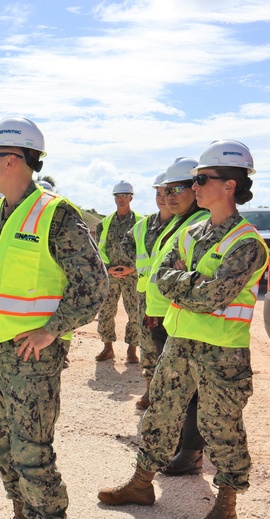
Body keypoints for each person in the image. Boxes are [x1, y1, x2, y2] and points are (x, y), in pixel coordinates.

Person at [98, 140, 269, 519]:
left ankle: (226, 504)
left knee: (220, 425)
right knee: (160, 410)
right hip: (181, 340)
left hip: (222, 350)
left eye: (202, 179)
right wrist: (190, 284)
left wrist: (184, 283)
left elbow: (215, 295)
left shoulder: (247, 243)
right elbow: (160, 276)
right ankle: (141, 483)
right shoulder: (192, 231)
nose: (195, 185)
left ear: (229, 185)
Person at [0, 117, 107, 519]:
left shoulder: (57, 214)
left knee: (32, 452)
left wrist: (53, 329)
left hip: (31, 360)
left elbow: (94, 284)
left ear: (12, 161)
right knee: (0, 443)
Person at [143, 157, 210, 475]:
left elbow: (191, 277)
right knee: (175, 388)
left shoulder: (201, 224)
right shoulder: (179, 221)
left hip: (180, 318)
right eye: (166, 189)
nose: (169, 196)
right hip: (164, 316)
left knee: (188, 389)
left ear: (196, 188)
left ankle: (191, 452)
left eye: (177, 188)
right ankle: (183, 444)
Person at [125, 171, 172, 409]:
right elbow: (126, 246)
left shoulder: (184, 224)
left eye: (167, 192)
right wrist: (127, 267)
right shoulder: (145, 224)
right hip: (146, 294)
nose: (162, 198)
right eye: (158, 193)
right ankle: (148, 390)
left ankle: (165, 395)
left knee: (168, 348)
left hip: (171, 297)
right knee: (148, 345)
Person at [94, 181, 142, 363]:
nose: (121, 199)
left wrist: (132, 267)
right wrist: (108, 269)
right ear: (114, 198)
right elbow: (99, 249)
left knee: (135, 312)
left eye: (124, 196)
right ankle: (108, 348)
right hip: (111, 275)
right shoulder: (104, 223)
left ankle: (132, 349)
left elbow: (147, 249)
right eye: (118, 196)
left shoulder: (141, 222)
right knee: (106, 311)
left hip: (133, 275)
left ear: (131, 197)